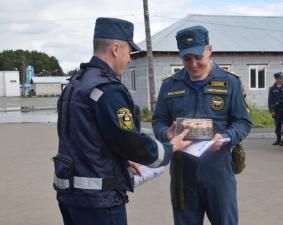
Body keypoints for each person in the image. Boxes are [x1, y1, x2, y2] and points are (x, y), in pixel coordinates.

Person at [52, 17, 192, 225]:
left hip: (71, 196)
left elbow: (89, 139)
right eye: (129, 52)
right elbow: (130, 141)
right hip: (99, 202)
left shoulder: (76, 82)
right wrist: (170, 148)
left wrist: (121, 161)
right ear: (116, 49)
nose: (129, 60)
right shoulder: (106, 89)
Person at [152, 25, 252, 225]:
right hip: (183, 171)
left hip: (218, 170)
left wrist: (225, 137)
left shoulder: (229, 82)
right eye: (187, 59)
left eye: (198, 57)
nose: (193, 64)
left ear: (209, 49)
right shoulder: (170, 84)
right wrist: (167, 135)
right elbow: (158, 121)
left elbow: (243, 122)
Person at [268, 72, 283, 146]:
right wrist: (272, 111)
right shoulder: (272, 89)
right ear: (276, 79)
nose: (281, 80)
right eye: (279, 78)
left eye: (282, 78)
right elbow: (270, 101)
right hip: (277, 110)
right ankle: (278, 139)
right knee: (278, 125)